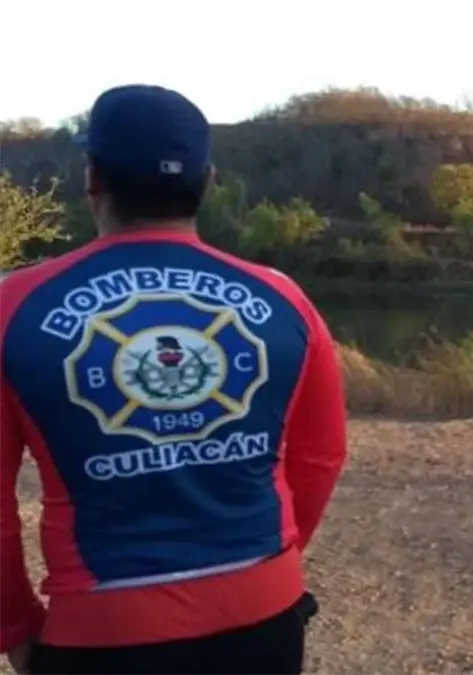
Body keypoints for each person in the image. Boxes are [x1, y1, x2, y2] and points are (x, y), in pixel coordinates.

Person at [0, 85, 348, 675]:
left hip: (102, 632)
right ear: (208, 180)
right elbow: (320, 458)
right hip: (265, 620)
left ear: (92, 178)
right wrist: (268, 564)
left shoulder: (14, 307)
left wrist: (13, 626)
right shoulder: (283, 299)